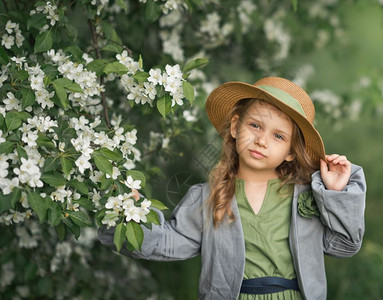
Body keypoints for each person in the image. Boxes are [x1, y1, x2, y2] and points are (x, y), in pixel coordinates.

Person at [98, 77, 366, 300]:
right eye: (255, 126)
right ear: (236, 127)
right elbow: (167, 243)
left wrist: (334, 194)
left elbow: (345, 245)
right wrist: (130, 214)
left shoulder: (307, 195)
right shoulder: (208, 196)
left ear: (291, 153)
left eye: (278, 136)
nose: (261, 140)